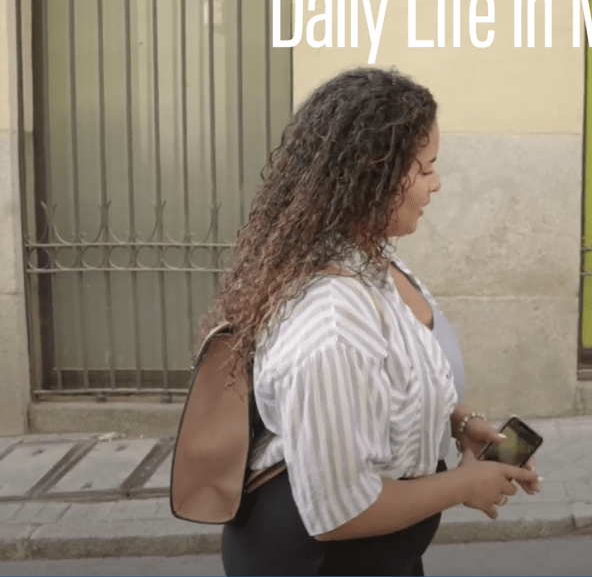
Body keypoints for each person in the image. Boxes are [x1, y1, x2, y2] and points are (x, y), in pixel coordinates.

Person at [205, 67, 540, 576]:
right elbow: (340, 511)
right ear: (373, 175)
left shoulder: (369, 257)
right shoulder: (331, 325)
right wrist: (464, 485)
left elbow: (395, 379)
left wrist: (462, 423)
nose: (438, 183)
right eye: (425, 168)